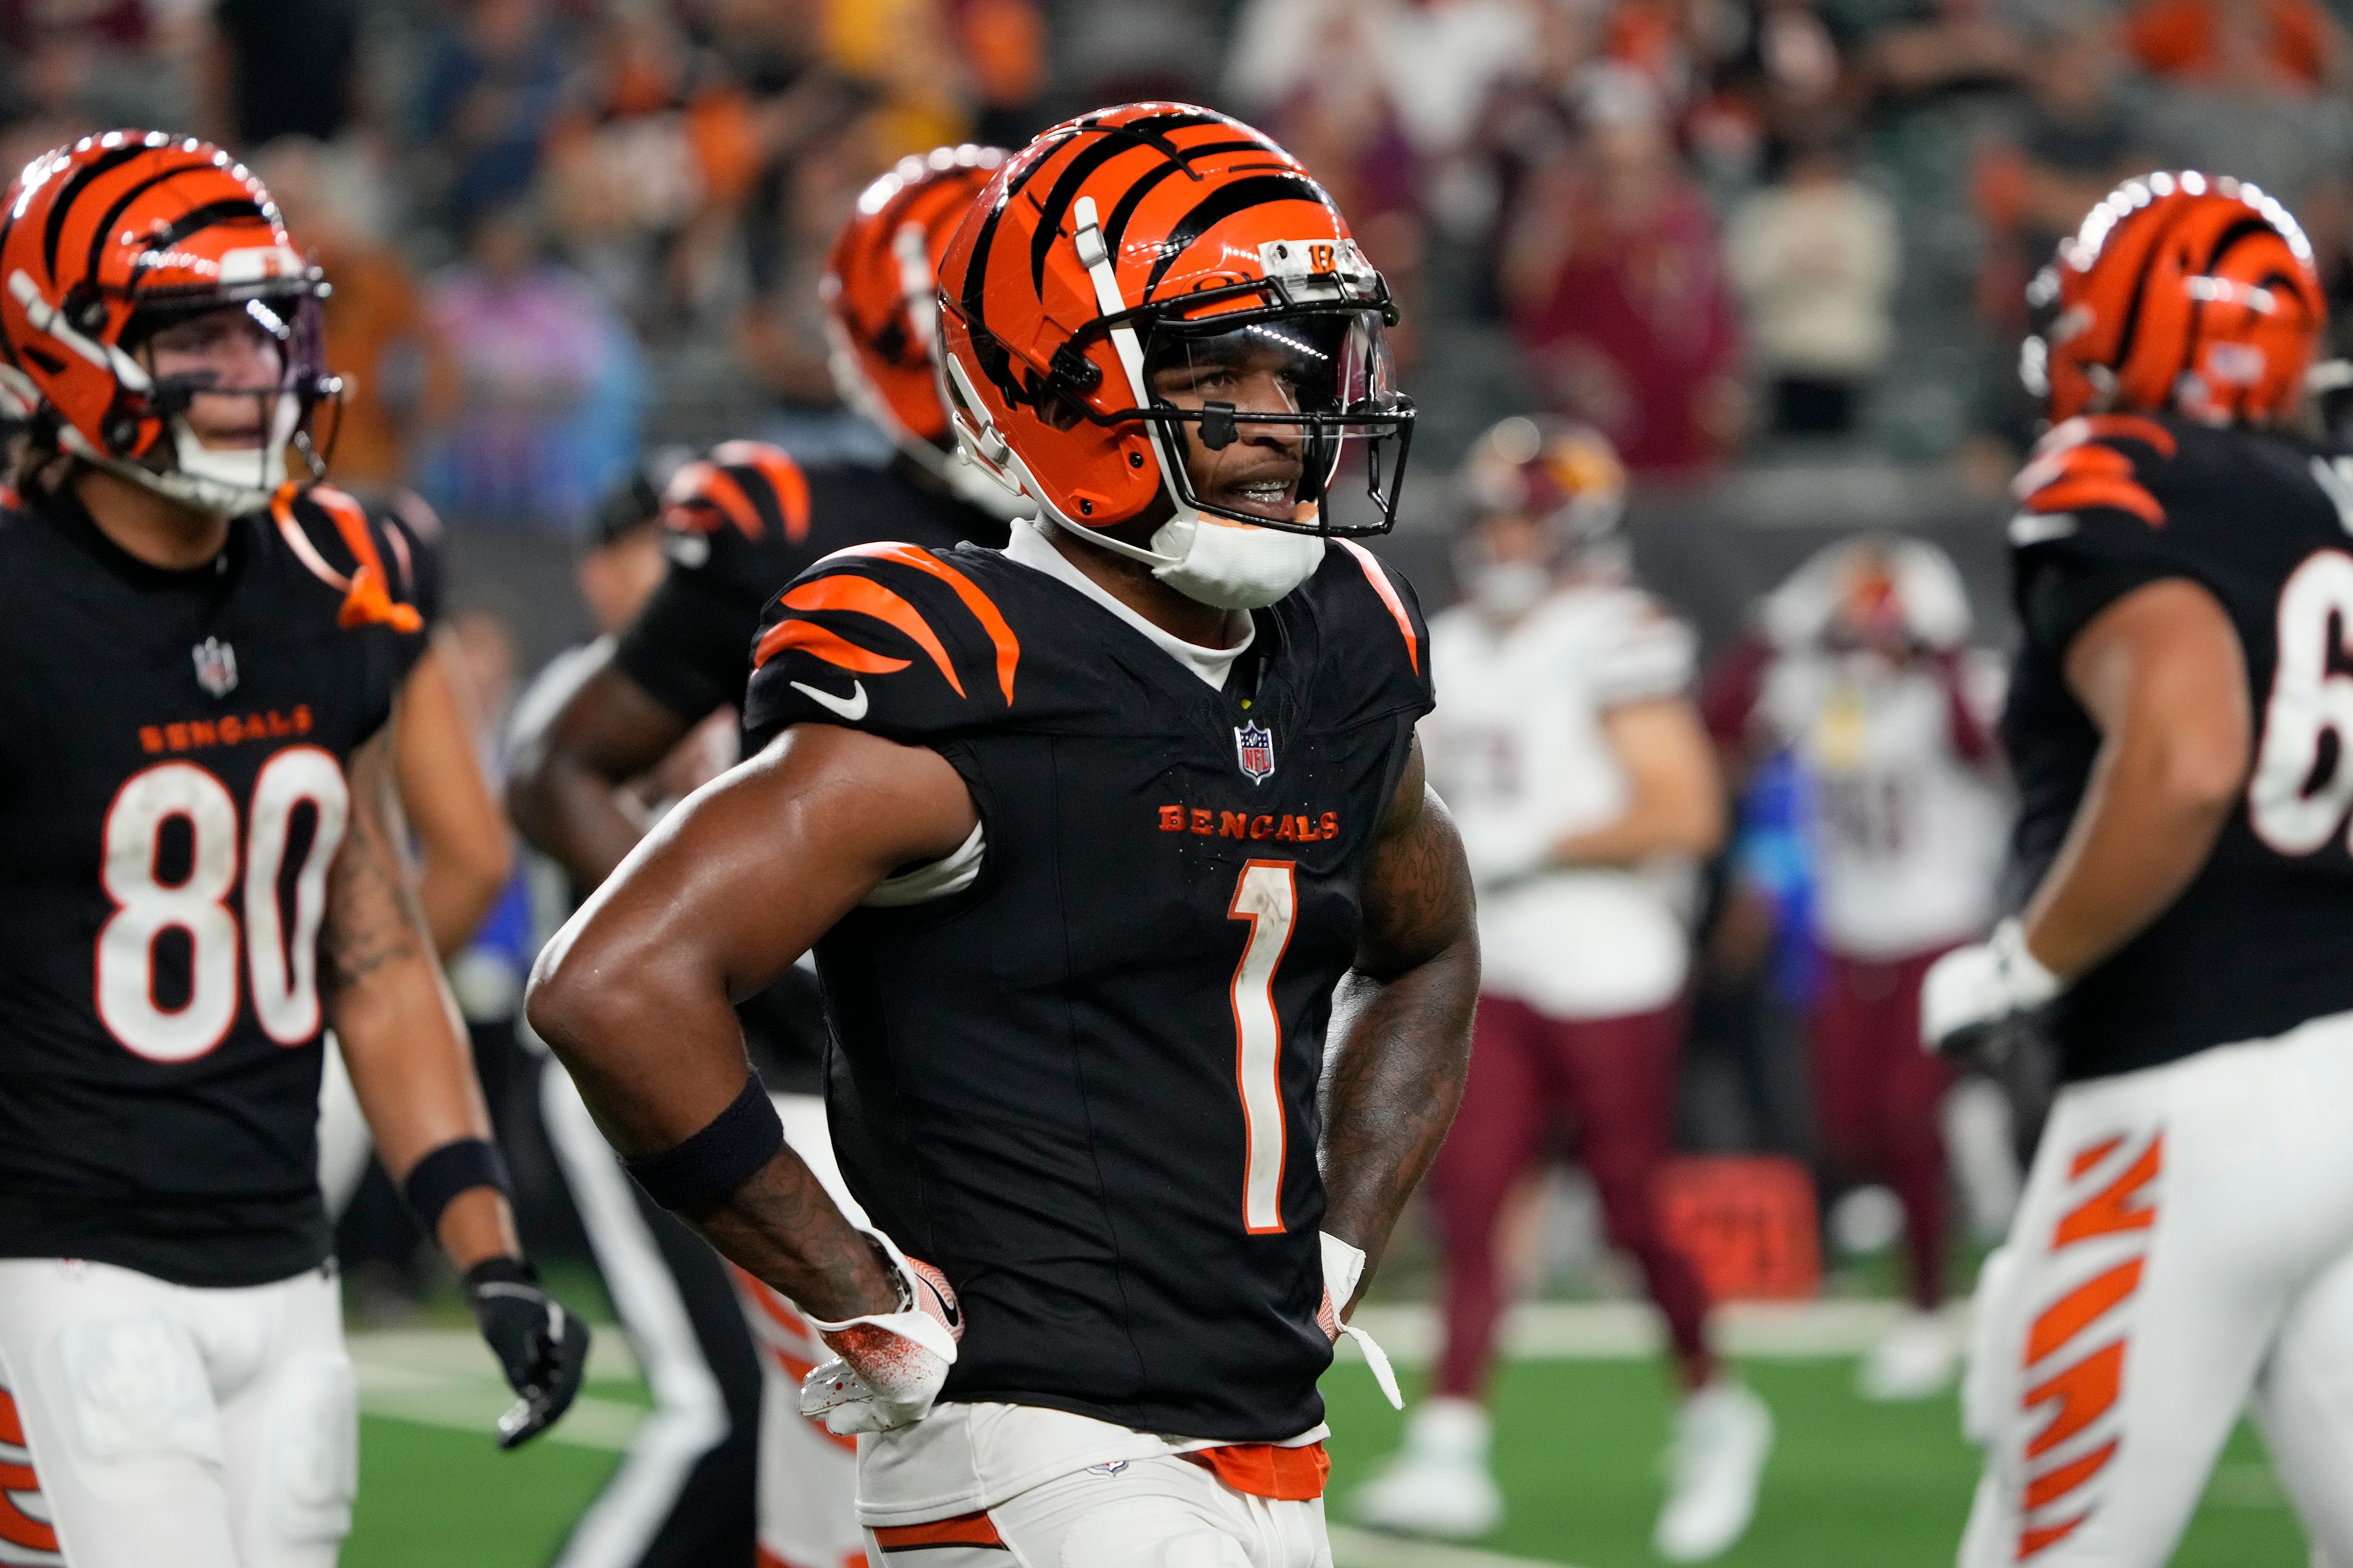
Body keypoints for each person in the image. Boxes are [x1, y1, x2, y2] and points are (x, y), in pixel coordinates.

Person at [526, 102, 1472, 1568]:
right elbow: (613, 981)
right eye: (1220, 377)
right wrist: (860, 1296)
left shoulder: (1340, 641)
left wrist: (1339, 1236)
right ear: (1063, 391)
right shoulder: (961, 663)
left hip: (1261, 1423)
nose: (1283, 425)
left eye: (1299, 369)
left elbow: (1429, 946)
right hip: (1032, 1441)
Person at [0, 131, 586, 1568]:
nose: (257, 368)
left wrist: (485, 1246)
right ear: (63, 347)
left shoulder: (335, 575)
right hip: (57, 1261)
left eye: (271, 324)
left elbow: (375, 944)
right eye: (199, 333)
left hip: (282, 1253)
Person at [506, 145, 1022, 1568]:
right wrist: (733, 975)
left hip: (1013, 1076)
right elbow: (560, 764)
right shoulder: (791, 519)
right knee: (860, 1467)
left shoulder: (1127, 539)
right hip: (812, 1089)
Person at [1923, 170, 2353, 1566]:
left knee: (2048, 1545)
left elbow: (2182, 761)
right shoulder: (2323, 494)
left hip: (2186, 1092)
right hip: (2339, 1062)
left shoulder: (2120, 478)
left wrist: (2022, 962)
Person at [1359, 417, 1767, 1561]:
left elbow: (1683, 810)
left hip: (1609, 963)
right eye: (1492, 512)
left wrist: (1528, 839)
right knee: (1475, 1201)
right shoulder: (1467, 644)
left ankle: (1714, 1407)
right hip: (1498, 961)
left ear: (1577, 525)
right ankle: (1450, 1438)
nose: (1502, 536)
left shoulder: (1615, 634)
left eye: (1524, 514)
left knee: (1634, 1207)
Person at [1712, 535, 2007, 1399]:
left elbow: (1980, 743)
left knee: (1908, 1116)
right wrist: (1780, 626)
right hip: (1846, 933)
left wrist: (1942, 648)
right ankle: (1954, 1164)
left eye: (1891, 627)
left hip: (1938, 928)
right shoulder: (1821, 691)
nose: (1872, 644)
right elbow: (1724, 722)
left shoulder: (1959, 684)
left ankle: (1926, 1306)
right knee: (1848, 1123)